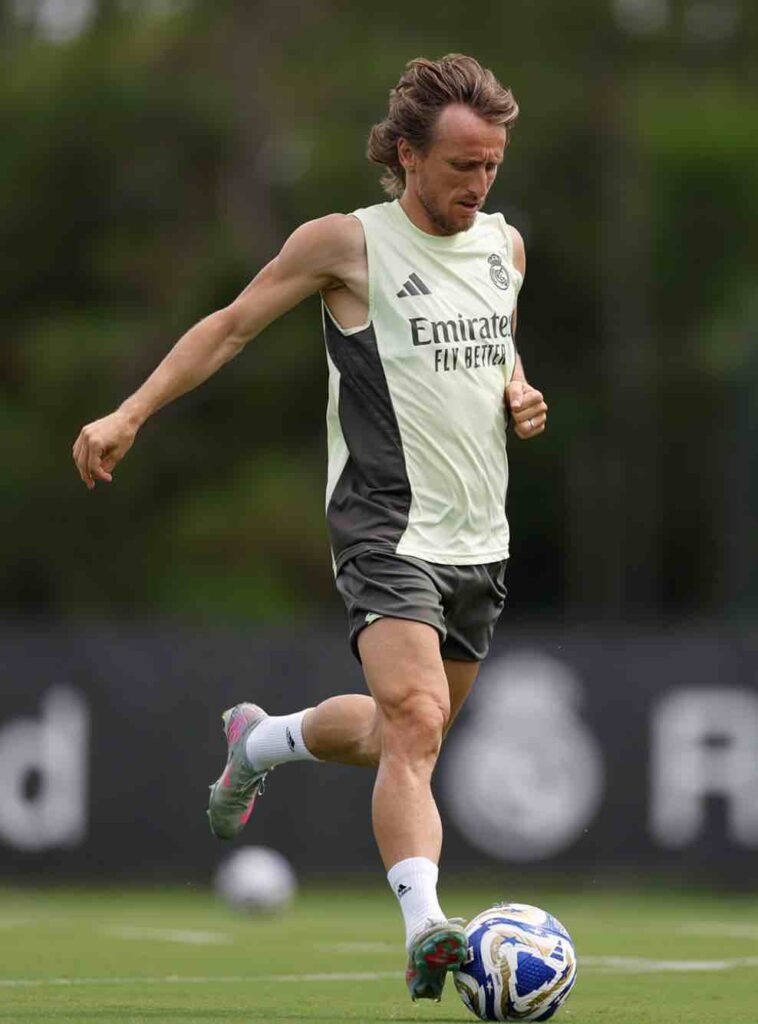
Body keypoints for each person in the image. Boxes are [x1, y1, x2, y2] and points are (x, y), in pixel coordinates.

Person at [72, 53, 548, 1003]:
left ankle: (260, 742)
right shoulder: (346, 244)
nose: (480, 184)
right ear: (407, 155)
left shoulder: (507, 246)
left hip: (478, 540)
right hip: (383, 527)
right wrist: (129, 412)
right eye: (462, 165)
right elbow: (230, 325)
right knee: (416, 721)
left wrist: (520, 392)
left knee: (397, 736)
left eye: (492, 165)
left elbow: (494, 346)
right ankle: (428, 930)